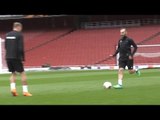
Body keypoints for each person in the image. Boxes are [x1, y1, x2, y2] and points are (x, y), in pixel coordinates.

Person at [5, 22, 32, 96]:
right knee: (22, 73)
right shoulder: (19, 35)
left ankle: (13, 89)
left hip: (8, 57)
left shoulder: (7, 35)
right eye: (21, 28)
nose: (21, 29)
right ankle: (25, 92)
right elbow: (20, 48)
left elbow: (6, 47)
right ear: (18, 27)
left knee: (13, 73)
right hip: (16, 57)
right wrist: (22, 58)